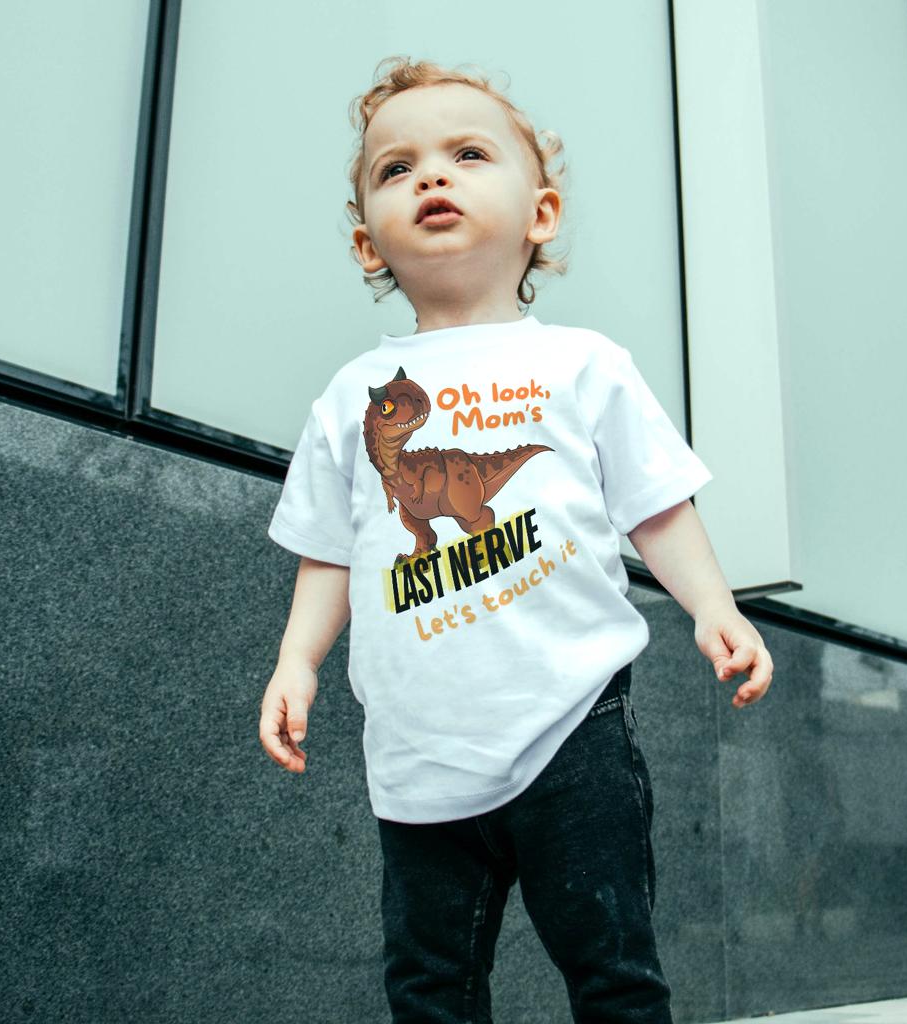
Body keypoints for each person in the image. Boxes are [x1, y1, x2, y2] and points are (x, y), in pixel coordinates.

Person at [258, 55, 774, 1024]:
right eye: (396, 168)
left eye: (466, 154)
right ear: (368, 243)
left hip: (569, 722)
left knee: (614, 971)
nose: (431, 175)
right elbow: (329, 546)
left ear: (540, 213)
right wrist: (296, 660)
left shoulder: (581, 364)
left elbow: (657, 504)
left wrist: (714, 605)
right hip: (417, 748)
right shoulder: (348, 398)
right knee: (428, 986)